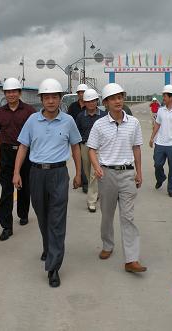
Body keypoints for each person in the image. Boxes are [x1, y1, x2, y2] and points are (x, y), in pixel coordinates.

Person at [13, 78, 82, 288]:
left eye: (54, 97)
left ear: (60, 99)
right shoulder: (32, 121)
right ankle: (48, 247)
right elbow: (23, 147)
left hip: (59, 174)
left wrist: (79, 173)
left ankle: (53, 267)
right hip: (36, 174)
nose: (50, 101)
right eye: (46, 97)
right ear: (41, 99)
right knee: (42, 216)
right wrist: (16, 172)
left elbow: (76, 147)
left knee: (57, 220)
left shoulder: (68, 121)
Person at [88, 83, 146, 273]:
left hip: (127, 174)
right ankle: (107, 245)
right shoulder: (99, 125)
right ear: (106, 102)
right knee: (107, 215)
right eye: (113, 98)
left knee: (128, 217)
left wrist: (139, 171)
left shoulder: (134, 123)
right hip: (107, 174)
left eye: (120, 97)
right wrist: (97, 167)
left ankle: (131, 259)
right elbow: (91, 149)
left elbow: (137, 148)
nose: (117, 101)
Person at [0, 78, 36, 241]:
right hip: (6, 153)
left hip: (24, 152)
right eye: (8, 92)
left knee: (24, 186)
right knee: (6, 190)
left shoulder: (29, 111)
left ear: (19, 93)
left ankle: (23, 213)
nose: (11, 94)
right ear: (4, 94)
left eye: (14, 91)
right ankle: (6, 226)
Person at [149, 84, 172, 197]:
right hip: (160, 143)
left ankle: (171, 189)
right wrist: (152, 138)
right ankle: (160, 178)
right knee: (157, 164)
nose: (163, 98)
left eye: (164, 96)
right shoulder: (161, 110)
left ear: (171, 97)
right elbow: (157, 124)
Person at [75, 89, 106, 212]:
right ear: (85, 102)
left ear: (97, 101)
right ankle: (95, 192)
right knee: (88, 173)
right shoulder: (80, 116)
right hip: (85, 146)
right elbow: (77, 132)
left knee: (94, 173)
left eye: (94, 101)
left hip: (99, 148)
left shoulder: (104, 115)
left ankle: (91, 201)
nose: (91, 103)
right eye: (88, 101)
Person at [68, 83, 89, 192]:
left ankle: (86, 183)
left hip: (86, 137)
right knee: (78, 160)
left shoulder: (90, 105)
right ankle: (80, 178)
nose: (82, 94)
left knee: (86, 161)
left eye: (83, 92)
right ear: (77, 94)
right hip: (75, 138)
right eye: (80, 92)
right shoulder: (73, 106)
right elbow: (68, 120)